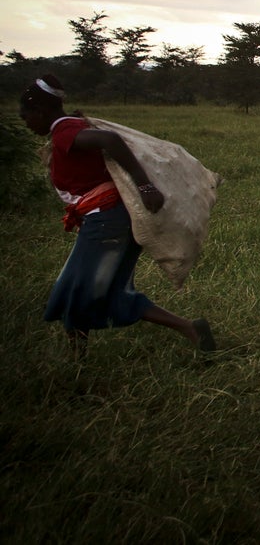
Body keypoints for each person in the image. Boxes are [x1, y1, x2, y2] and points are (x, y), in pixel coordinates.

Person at [18, 74, 215, 356]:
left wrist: (144, 184)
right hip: (108, 220)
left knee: (86, 289)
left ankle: (187, 327)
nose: (27, 124)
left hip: (108, 222)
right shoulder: (72, 125)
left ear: (40, 111)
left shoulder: (65, 132)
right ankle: (77, 357)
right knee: (83, 286)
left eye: (27, 117)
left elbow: (109, 140)